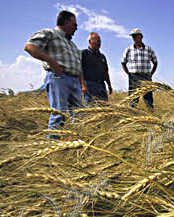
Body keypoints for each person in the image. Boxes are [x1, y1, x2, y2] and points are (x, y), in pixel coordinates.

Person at [24, 10, 86, 139]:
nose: (76, 28)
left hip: (75, 81)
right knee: (59, 113)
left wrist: (82, 83)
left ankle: (77, 143)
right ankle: (52, 147)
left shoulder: (72, 45)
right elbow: (30, 47)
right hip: (59, 79)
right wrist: (53, 63)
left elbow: (78, 65)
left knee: (80, 114)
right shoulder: (50, 33)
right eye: (74, 25)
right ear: (65, 22)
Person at [121, 28, 158, 109]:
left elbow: (155, 62)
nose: (133, 38)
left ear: (141, 36)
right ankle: (132, 116)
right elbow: (123, 62)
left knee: (149, 100)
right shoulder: (128, 49)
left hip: (146, 77)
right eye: (132, 36)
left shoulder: (149, 49)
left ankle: (152, 117)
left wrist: (150, 74)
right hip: (133, 78)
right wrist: (129, 74)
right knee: (133, 100)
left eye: (135, 36)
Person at [82, 32, 113, 104]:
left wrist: (109, 85)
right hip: (89, 85)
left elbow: (106, 71)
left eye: (100, 41)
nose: (99, 43)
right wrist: (83, 85)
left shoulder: (102, 56)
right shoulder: (84, 53)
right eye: (97, 41)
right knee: (91, 108)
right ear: (90, 41)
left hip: (101, 85)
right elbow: (79, 70)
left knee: (104, 108)